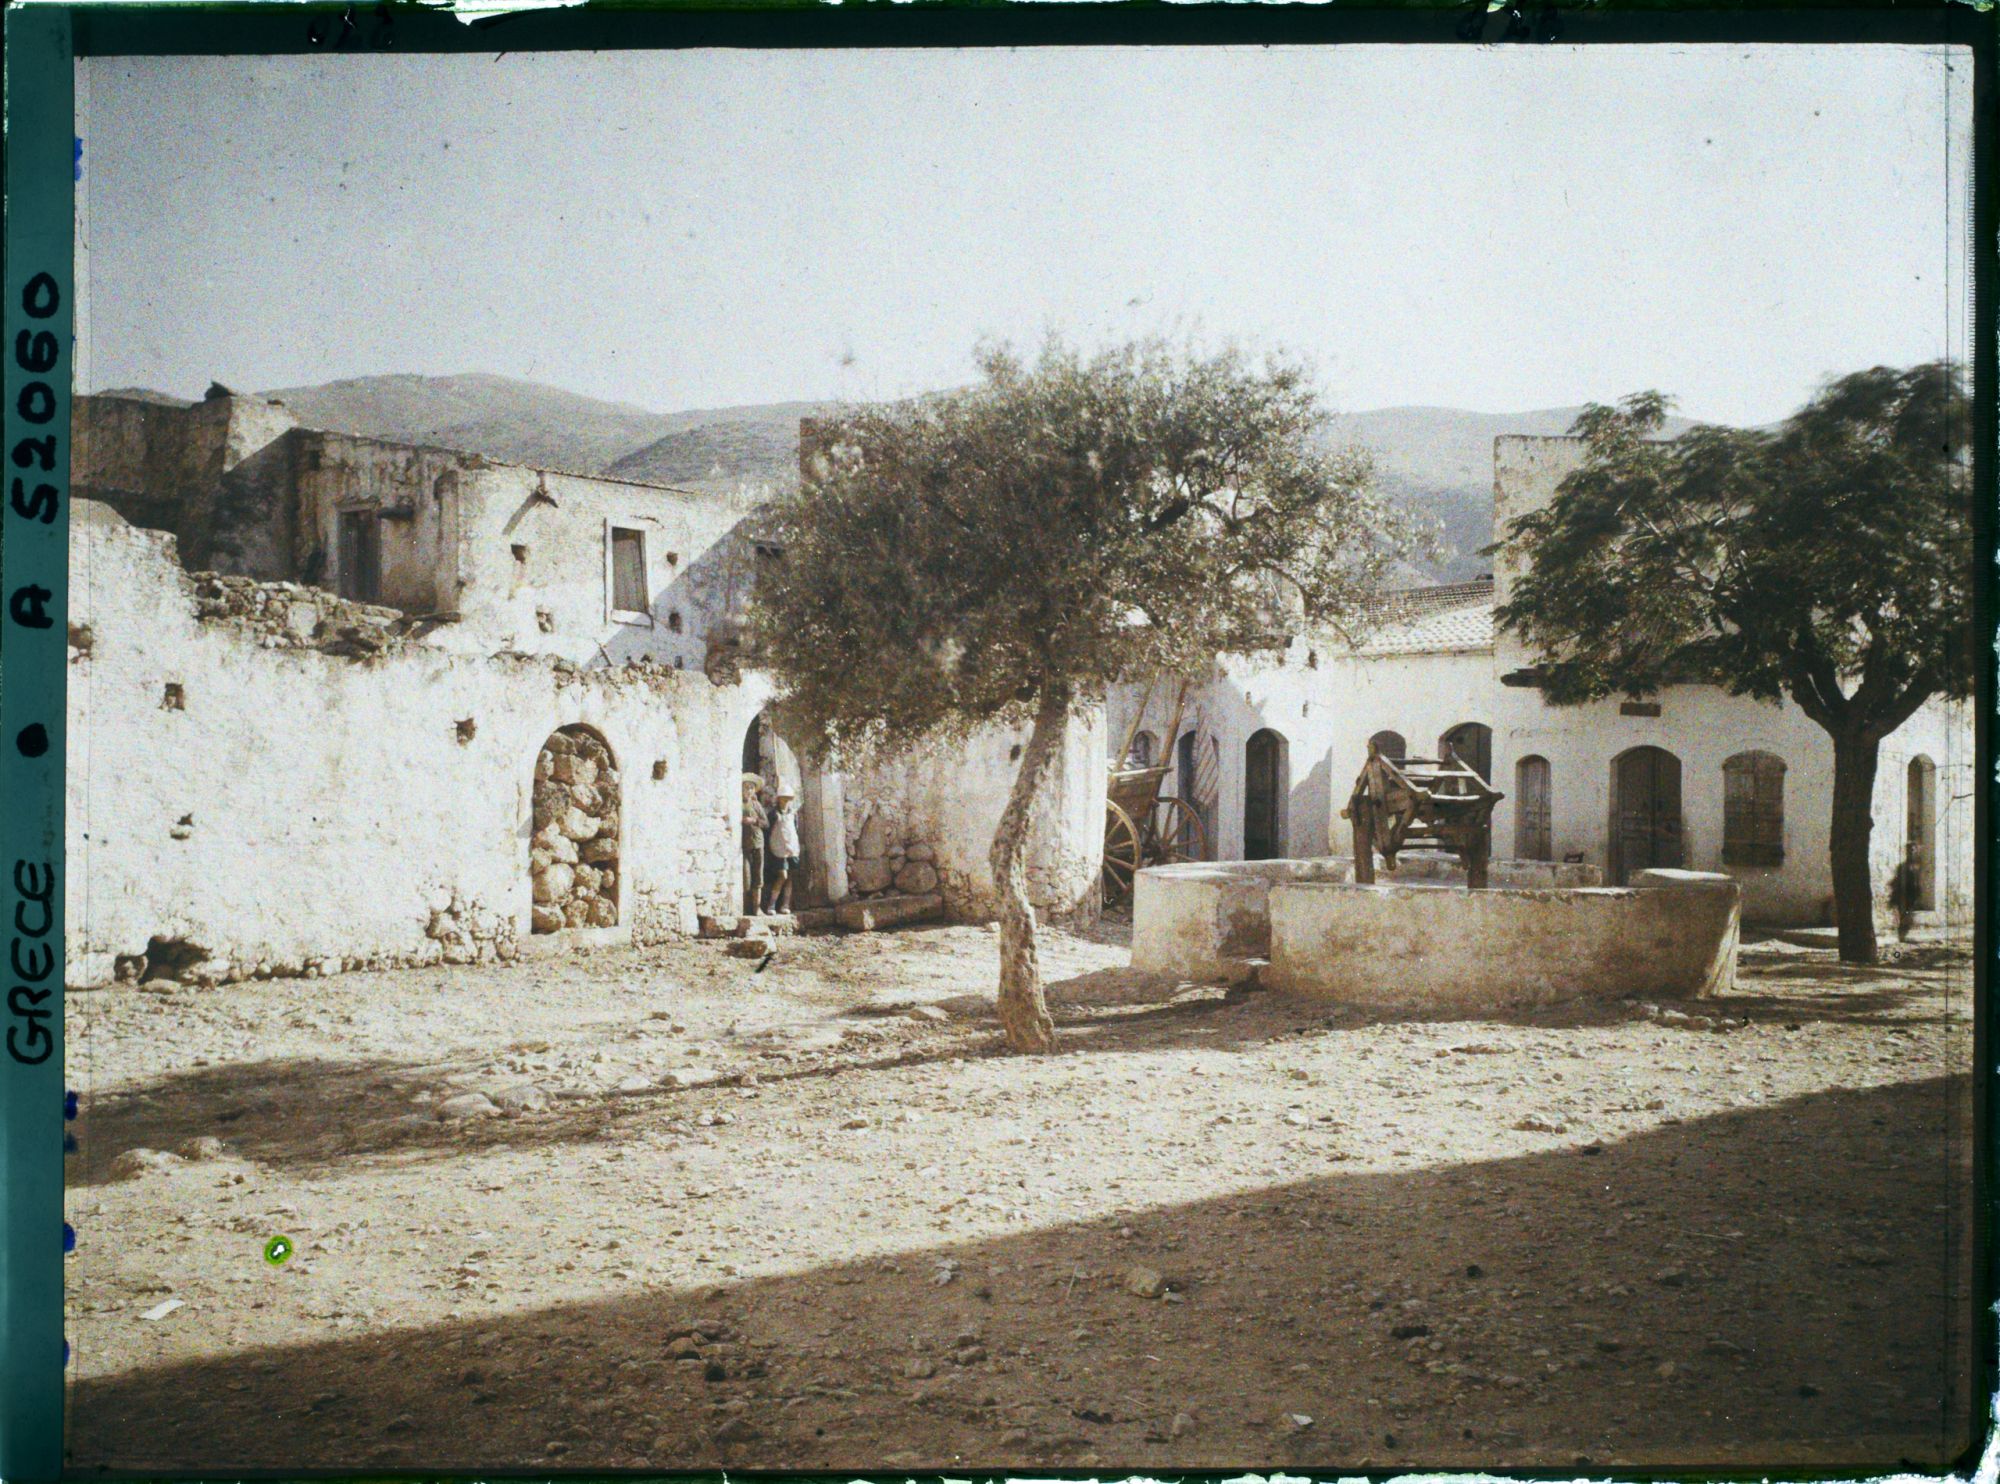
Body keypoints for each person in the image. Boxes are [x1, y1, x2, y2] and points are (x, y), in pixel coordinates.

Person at [763, 787, 801, 914]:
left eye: (788, 799)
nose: (786, 801)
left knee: (789, 876)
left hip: (791, 847)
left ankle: (785, 904)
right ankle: (771, 905)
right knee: (782, 875)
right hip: (778, 848)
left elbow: (794, 829)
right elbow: (768, 832)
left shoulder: (793, 814)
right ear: (779, 799)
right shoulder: (773, 814)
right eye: (784, 798)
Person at [740, 774, 767, 916]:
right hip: (744, 845)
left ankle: (757, 908)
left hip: (757, 843)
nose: (749, 790)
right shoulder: (737, 803)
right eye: (746, 787)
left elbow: (765, 823)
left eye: (751, 788)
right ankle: (745, 908)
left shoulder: (756, 805)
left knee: (758, 876)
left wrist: (754, 821)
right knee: (746, 876)